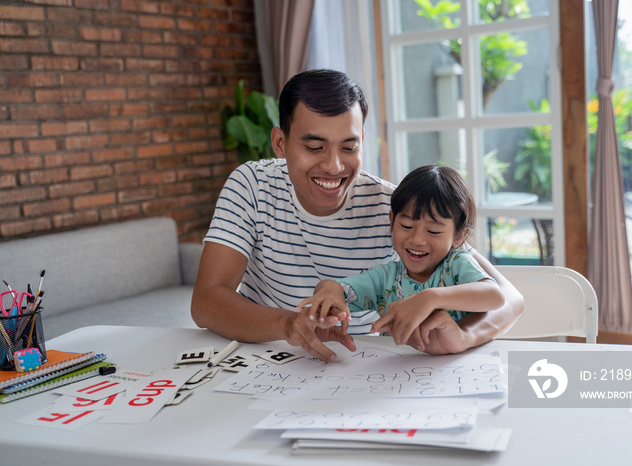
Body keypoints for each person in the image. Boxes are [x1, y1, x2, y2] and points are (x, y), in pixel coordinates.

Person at [191, 69, 523, 362]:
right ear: (280, 142)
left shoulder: (398, 210)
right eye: (314, 147)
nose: (334, 166)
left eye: (349, 147)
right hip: (265, 358)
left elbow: (509, 299)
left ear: (363, 141)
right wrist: (288, 325)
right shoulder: (251, 185)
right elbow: (207, 301)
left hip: (362, 364)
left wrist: (461, 337)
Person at [297, 165, 505, 352]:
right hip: (398, 373)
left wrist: (430, 298)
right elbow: (339, 290)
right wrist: (327, 292)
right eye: (406, 226)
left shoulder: (456, 265)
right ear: (392, 221)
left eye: (433, 231)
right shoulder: (385, 277)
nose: (417, 239)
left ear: (459, 236)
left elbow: (494, 296)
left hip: (456, 371)